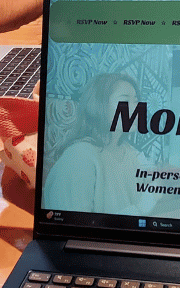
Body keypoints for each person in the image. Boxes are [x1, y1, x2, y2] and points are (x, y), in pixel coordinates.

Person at [42, 72, 144, 214]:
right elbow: (77, 226)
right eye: (125, 101)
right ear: (99, 105)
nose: (136, 108)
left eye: (136, 101)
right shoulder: (79, 157)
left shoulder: (129, 153)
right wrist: (148, 202)